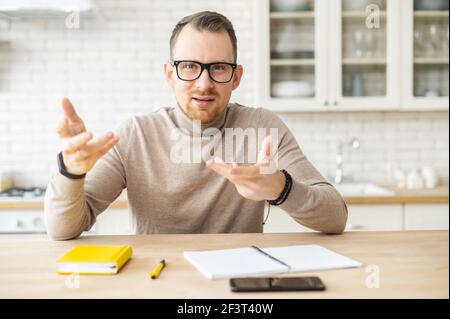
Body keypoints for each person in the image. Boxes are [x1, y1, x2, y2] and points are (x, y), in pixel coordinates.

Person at [44, 11, 347, 240]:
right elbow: (63, 230)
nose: (204, 84)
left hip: (239, 283)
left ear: (236, 77)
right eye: (189, 66)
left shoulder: (263, 127)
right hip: (159, 282)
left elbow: (336, 217)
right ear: (169, 74)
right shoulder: (135, 135)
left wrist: (282, 189)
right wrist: (70, 172)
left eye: (218, 68)